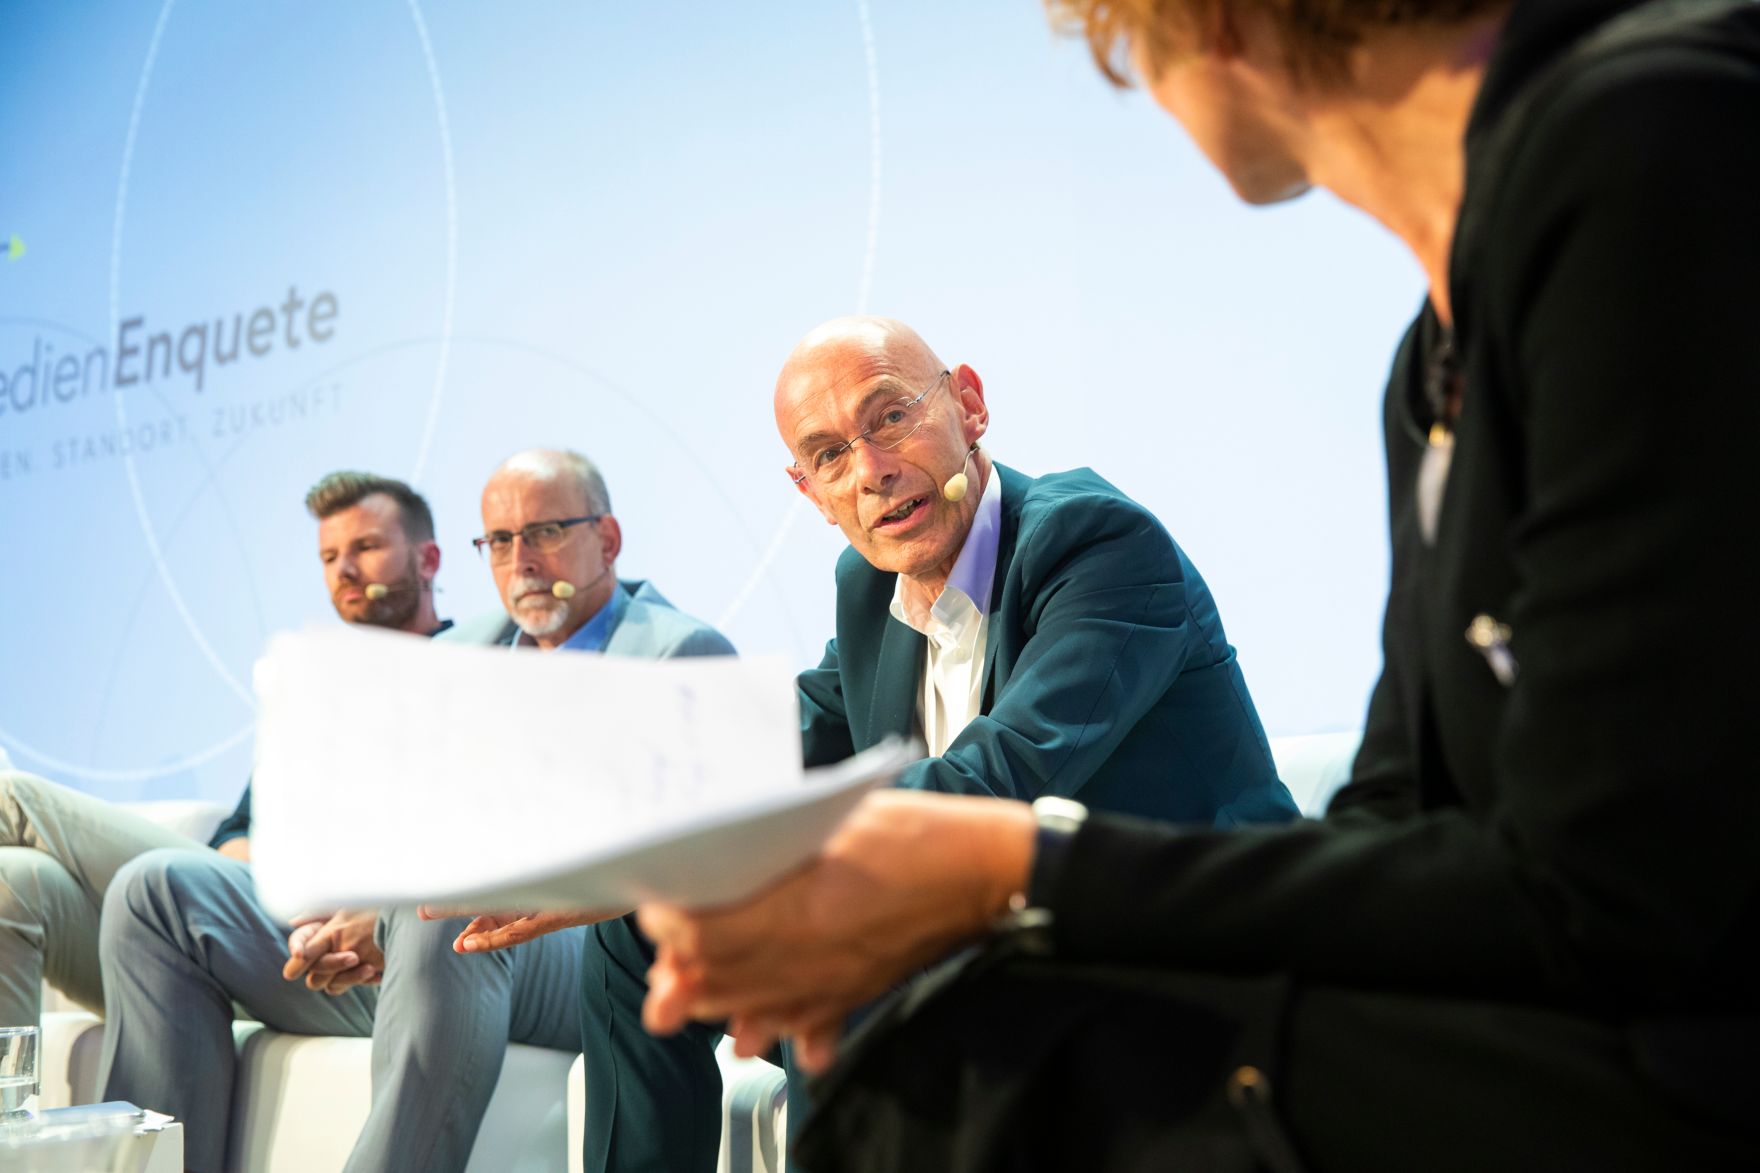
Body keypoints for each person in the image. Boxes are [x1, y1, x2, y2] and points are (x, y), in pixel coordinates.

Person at [635, 2, 1760, 1169]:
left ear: (1209, 29)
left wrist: (1004, 869)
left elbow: (1621, 883)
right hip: (1501, 989)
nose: (868, 472)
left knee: (957, 1084)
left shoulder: (1648, 145)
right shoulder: (1427, 369)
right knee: (931, 1061)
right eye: (828, 457)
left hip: (1670, 1051)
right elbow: (1399, 807)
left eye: (1125, 52)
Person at [492, 315, 1295, 1173]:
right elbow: (791, 731)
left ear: (970, 406)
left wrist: (730, 854)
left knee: (829, 936)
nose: (871, 469)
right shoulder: (870, 585)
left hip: (1167, 948)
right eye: (831, 454)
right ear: (811, 492)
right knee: (635, 930)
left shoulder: (1095, 543)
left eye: (889, 419)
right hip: (986, 954)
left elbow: (1001, 778)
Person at [98, 451, 733, 1173]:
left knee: (446, 908)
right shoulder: (453, 655)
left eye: (546, 531)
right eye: (497, 540)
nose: (519, 559)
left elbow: (655, 849)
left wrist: (403, 905)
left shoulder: (677, 650)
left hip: (583, 952)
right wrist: (350, 917)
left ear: (608, 539)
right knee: (158, 890)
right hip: (421, 950)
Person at [0, 469, 443, 1034]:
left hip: (350, 942)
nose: (345, 570)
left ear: (428, 560)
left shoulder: (466, 664)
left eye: (367, 547)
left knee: (13, 799)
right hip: (249, 918)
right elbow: (236, 829)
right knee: (14, 879)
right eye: (329, 557)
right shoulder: (318, 692)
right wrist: (263, 874)